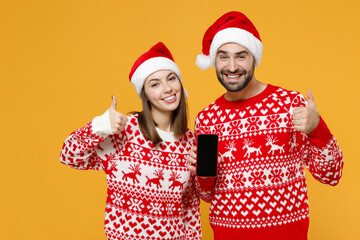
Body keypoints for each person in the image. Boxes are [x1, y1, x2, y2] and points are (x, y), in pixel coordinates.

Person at [186, 11, 344, 240]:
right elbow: (206, 195)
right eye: (223, 57)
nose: (231, 67)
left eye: (241, 56)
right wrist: (203, 173)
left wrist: (316, 128)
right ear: (214, 60)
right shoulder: (207, 119)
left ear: (254, 58)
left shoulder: (290, 104)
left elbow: (332, 174)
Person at [60, 42, 201, 240]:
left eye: (171, 79)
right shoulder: (124, 130)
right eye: (155, 84)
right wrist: (99, 126)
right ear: (145, 94)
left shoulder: (191, 141)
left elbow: (190, 209)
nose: (167, 88)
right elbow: (69, 156)